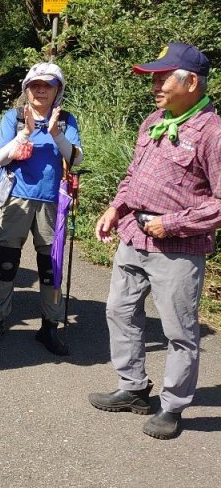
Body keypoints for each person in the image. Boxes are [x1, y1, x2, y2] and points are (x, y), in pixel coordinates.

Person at [90, 43, 219, 440]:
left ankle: (173, 405)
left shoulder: (212, 133)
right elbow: (134, 173)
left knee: (178, 331)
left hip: (178, 248)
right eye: (154, 77)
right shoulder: (154, 121)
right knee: (119, 311)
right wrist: (115, 207)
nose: (155, 85)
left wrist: (174, 223)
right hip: (133, 236)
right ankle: (132, 388)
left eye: (163, 77)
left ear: (191, 81)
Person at [0, 62, 81, 353]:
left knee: (50, 267)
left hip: (51, 200)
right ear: (27, 88)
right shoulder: (13, 117)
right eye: (35, 85)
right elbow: (0, 158)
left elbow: (76, 159)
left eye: (47, 85)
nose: (40, 90)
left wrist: (55, 134)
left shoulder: (65, 121)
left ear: (57, 90)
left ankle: (49, 326)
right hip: (15, 197)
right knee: (6, 263)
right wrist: (24, 132)